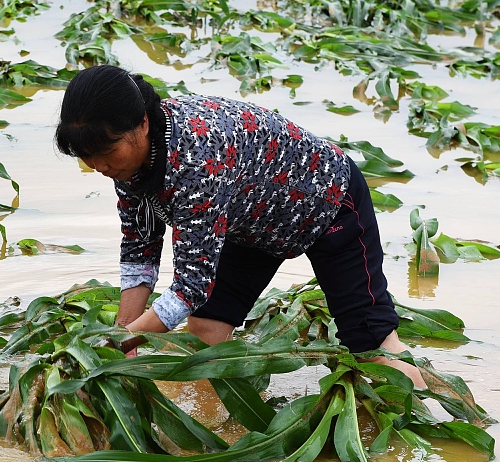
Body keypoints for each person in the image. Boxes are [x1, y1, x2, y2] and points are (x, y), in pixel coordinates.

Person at [54, 64, 427, 388]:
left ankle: (431, 422)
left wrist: (116, 345)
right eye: (88, 157)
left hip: (324, 201)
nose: (99, 166)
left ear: (143, 123)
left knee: (369, 343)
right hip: (248, 222)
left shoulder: (196, 159)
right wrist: (121, 332)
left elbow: (190, 288)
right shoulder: (129, 162)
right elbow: (140, 249)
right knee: (206, 333)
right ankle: (217, 425)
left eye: (106, 151)